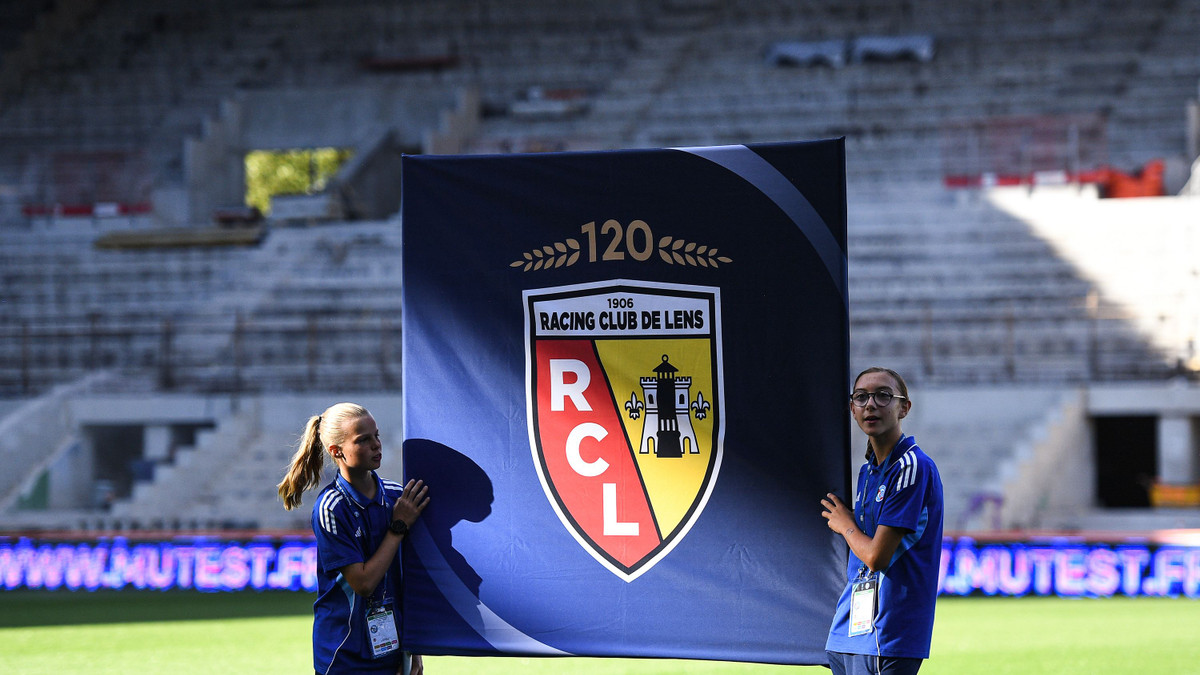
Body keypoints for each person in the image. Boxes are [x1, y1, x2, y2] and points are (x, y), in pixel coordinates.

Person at [278, 402, 430, 675]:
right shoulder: (331, 508)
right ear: (336, 451)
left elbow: (411, 579)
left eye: (377, 435)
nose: (376, 444)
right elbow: (363, 584)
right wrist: (397, 527)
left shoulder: (397, 498)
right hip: (344, 655)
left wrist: (414, 649)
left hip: (394, 652)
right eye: (363, 440)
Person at [821, 368, 944, 675]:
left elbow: (877, 557)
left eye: (883, 396)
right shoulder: (868, 471)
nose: (871, 404)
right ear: (852, 408)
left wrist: (845, 524)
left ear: (904, 408)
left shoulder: (912, 466)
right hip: (848, 630)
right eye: (861, 397)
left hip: (888, 632)